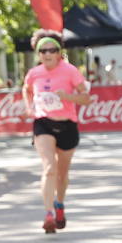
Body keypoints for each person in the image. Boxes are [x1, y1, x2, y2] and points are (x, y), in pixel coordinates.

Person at [23, 31, 92, 232]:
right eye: (42, 51)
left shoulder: (70, 71)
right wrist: (28, 107)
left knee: (62, 173)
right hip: (43, 122)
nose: (47, 54)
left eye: (52, 50)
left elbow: (86, 98)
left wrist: (68, 97)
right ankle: (48, 214)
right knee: (49, 167)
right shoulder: (34, 73)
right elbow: (26, 89)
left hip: (67, 125)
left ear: (59, 52)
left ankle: (59, 203)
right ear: (38, 54)